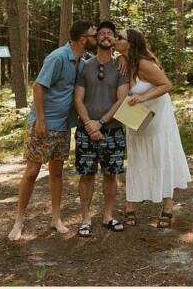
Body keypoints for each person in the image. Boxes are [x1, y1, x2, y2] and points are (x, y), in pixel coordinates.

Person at [8, 20, 97, 241]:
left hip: (63, 127)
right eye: (94, 35)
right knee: (31, 172)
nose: (96, 38)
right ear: (83, 39)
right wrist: (40, 120)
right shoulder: (57, 57)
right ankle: (19, 220)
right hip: (42, 126)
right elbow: (38, 86)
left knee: (56, 172)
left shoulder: (84, 61)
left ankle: (55, 219)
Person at [117, 28, 192, 228]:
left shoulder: (144, 64)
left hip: (157, 118)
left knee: (160, 156)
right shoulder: (124, 62)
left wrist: (142, 97)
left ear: (130, 43)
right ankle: (130, 206)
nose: (116, 39)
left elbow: (166, 85)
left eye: (120, 37)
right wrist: (121, 58)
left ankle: (168, 206)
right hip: (136, 119)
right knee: (136, 158)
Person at [73, 20, 131, 237]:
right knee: (86, 175)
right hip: (85, 131)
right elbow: (78, 98)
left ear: (114, 39)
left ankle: (108, 215)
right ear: (96, 39)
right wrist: (90, 124)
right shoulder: (85, 66)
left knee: (110, 174)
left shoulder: (120, 66)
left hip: (113, 130)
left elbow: (122, 98)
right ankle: (85, 218)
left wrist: (102, 122)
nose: (106, 36)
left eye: (110, 33)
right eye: (102, 33)